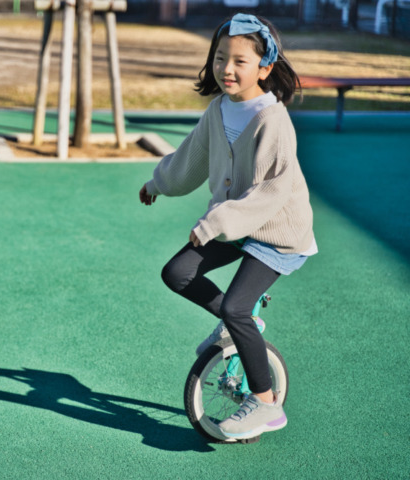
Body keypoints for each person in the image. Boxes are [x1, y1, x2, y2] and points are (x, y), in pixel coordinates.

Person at [139, 13, 317, 440]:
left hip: (276, 234)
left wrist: (215, 222)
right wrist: (157, 183)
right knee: (177, 273)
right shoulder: (219, 110)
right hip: (239, 227)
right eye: (220, 58)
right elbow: (189, 160)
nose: (227, 69)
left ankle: (267, 402)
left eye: (239, 61)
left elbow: (271, 193)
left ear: (265, 68)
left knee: (237, 305)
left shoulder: (273, 121)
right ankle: (244, 329)